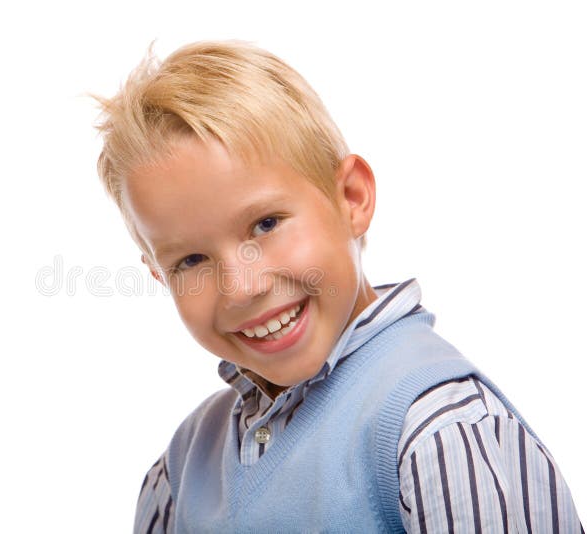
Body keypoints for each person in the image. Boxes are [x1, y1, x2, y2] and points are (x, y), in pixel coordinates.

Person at [92, 40, 583, 533]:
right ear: (160, 274)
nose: (241, 287)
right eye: (191, 259)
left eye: (265, 224)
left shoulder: (439, 432)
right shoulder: (181, 473)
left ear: (351, 197)